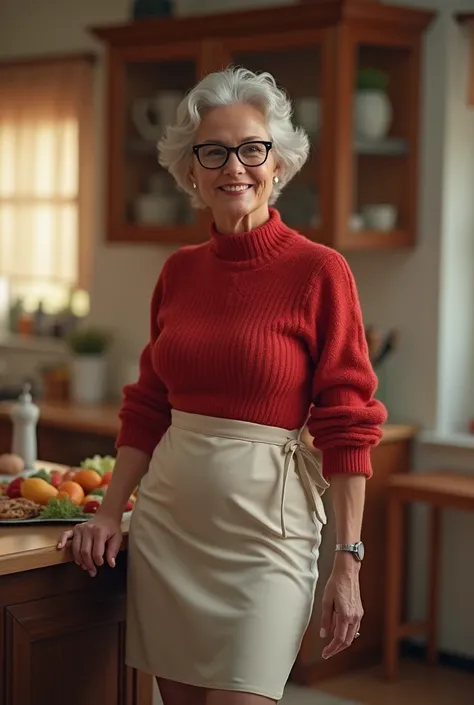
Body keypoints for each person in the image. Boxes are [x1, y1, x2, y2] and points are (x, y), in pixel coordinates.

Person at [58, 67, 387, 705]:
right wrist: (107, 509)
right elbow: (149, 404)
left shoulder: (321, 272)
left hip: (269, 537)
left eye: (251, 149)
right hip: (169, 530)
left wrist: (348, 560)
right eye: (213, 151)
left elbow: (349, 422)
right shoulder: (178, 273)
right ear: (191, 170)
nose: (234, 166)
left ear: (278, 164)